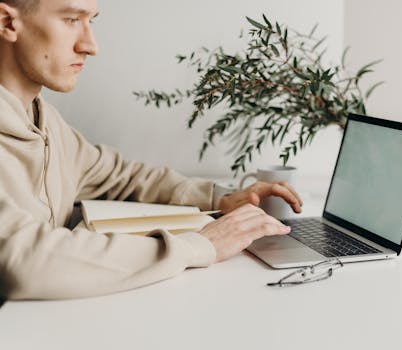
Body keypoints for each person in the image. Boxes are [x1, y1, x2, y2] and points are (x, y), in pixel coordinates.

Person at [0, 0, 303, 300]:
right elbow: (27, 260)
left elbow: (121, 175)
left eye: (91, 20)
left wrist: (219, 197)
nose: (91, 46)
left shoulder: (46, 122)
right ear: (6, 22)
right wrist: (198, 245)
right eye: (71, 20)